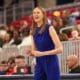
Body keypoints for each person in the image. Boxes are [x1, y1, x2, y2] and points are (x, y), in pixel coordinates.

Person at [26, 7, 63, 80]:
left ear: (43, 15)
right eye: (34, 13)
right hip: (39, 62)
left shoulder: (50, 28)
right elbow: (35, 51)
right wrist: (31, 53)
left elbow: (60, 49)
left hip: (51, 62)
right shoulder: (32, 30)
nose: (35, 14)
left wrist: (42, 53)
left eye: (38, 12)